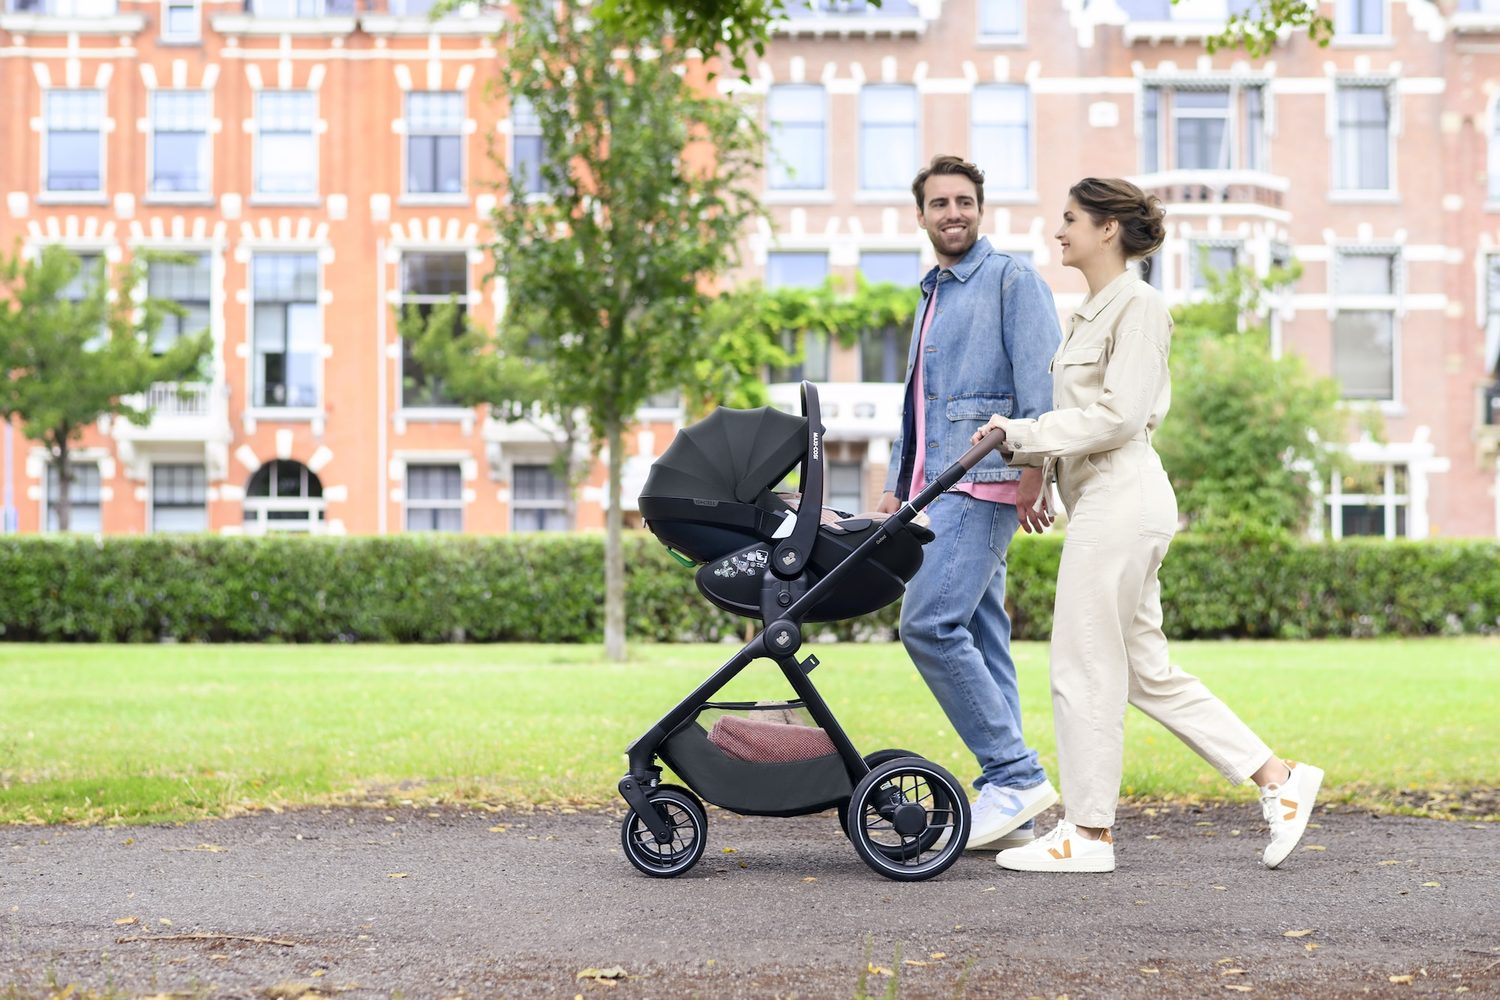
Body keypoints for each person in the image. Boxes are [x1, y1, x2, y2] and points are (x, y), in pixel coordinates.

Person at [972, 177, 1323, 873]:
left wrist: (1022, 434)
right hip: (1110, 500)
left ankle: (1087, 834)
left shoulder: (1140, 306)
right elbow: (1084, 414)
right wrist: (1035, 461)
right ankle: (1278, 778)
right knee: (1145, 672)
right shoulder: (1089, 314)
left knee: (1082, 663)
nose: (1058, 231)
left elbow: (1119, 416)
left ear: (1107, 229)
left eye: (1070, 218)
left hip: (1121, 498)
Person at [875, 154, 1063, 850]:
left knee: (929, 625)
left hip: (982, 479)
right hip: (935, 488)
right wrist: (898, 486)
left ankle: (1015, 775)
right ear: (921, 215)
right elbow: (918, 404)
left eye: (964, 201)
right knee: (983, 637)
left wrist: (1033, 471)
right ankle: (1015, 809)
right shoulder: (933, 291)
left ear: (980, 209)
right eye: (940, 203)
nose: (953, 213)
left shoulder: (1011, 279)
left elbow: (1041, 384)